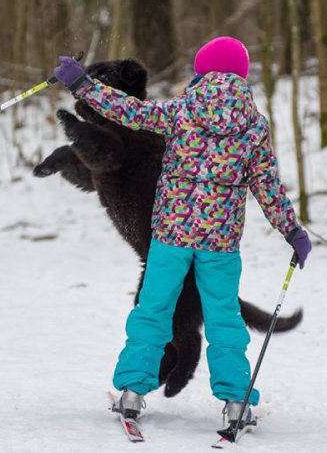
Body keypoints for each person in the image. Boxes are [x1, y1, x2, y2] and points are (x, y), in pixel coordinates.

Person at [54, 36, 312, 427]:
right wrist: (292, 231)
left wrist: (81, 85)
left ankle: (132, 392)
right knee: (224, 321)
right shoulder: (254, 126)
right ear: (241, 75)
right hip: (220, 246)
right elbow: (267, 186)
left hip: (170, 238)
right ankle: (236, 403)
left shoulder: (182, 110)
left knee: (153, 312)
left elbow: (129, 112)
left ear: (202, 73)